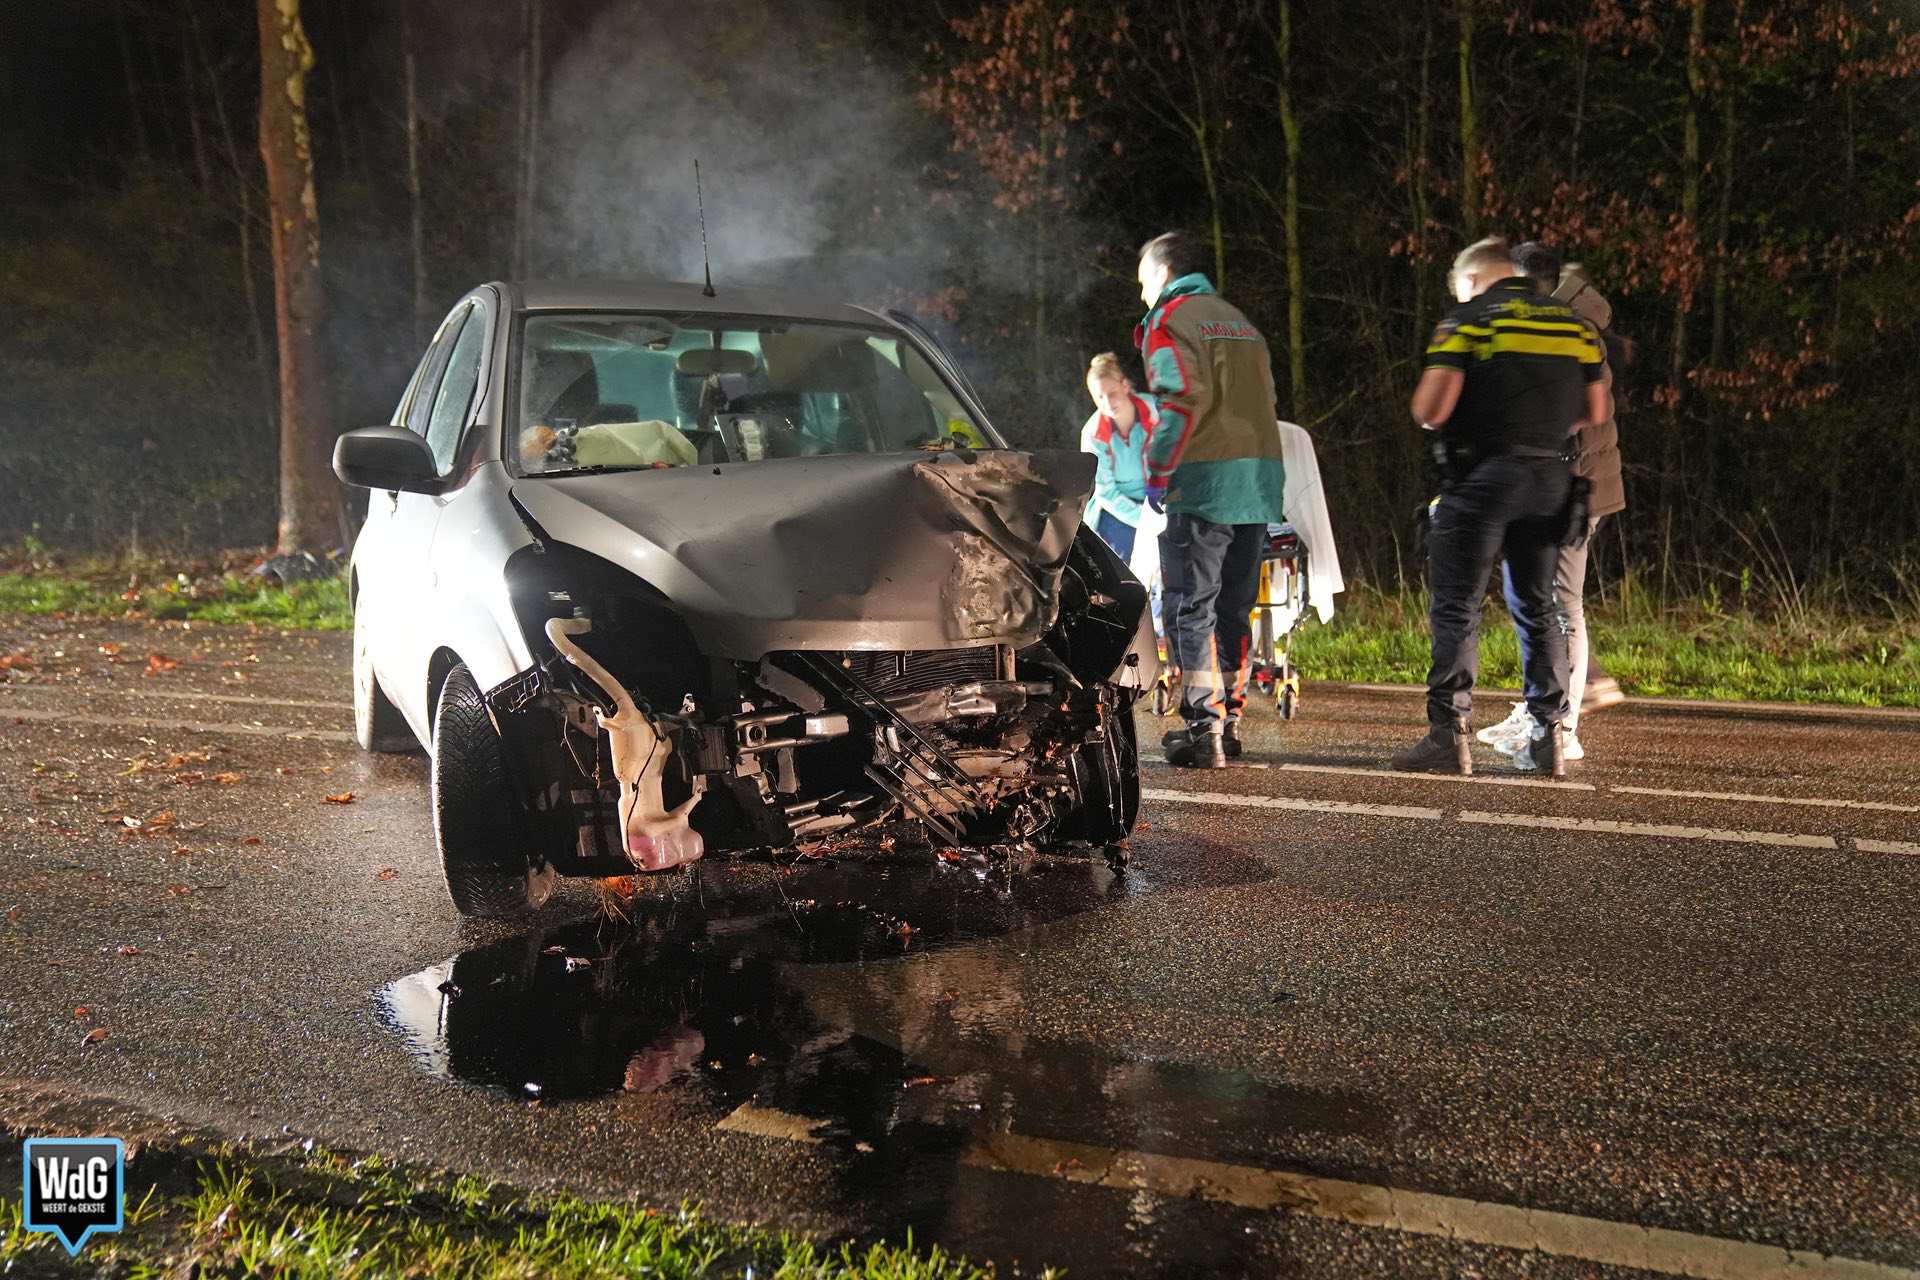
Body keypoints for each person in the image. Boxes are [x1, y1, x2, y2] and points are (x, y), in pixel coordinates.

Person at [1391, 236, 1608, 777]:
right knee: (1539, 607)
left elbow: (1430, 410)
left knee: (1458, 606)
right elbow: (1595, 410)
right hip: (1551, 479)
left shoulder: (1470, 321)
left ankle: (1450, 736)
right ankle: (1549, 737)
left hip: (1482, 477)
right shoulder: (1575, 326)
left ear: (1480, 278)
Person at [1134, 231, 1287, 768]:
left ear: (1164, 272)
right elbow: (1267, 399)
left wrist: (1157, 470)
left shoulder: (1170, 320)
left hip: (1203, 480)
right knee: (1234, 610)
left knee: (1190, 609)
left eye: (1143, 280)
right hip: (1259, 482)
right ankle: (1230, 722)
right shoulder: (1240, 322)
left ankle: (1205, 730)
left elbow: (1181, 397)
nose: (1142, 293)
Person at [1479, 244, 1628, 765]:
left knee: (1563, 602)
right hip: (1564, 477)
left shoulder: (1571, 326)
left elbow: (1580, 408)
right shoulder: (1568, 320)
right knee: (1543, 598)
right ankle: (1543, 708)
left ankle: (1561, 722)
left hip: (1573, 482)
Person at [1078, 352, 1155, 564]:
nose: (1107, 402)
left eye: (1111, 393)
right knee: (1124, 569)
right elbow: (1106, 493)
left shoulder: (1157, 412)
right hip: (1117, 511)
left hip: (1159, 501)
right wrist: (1145, 520)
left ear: (1125, 385)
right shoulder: (1093, 434)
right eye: (1099, 397)